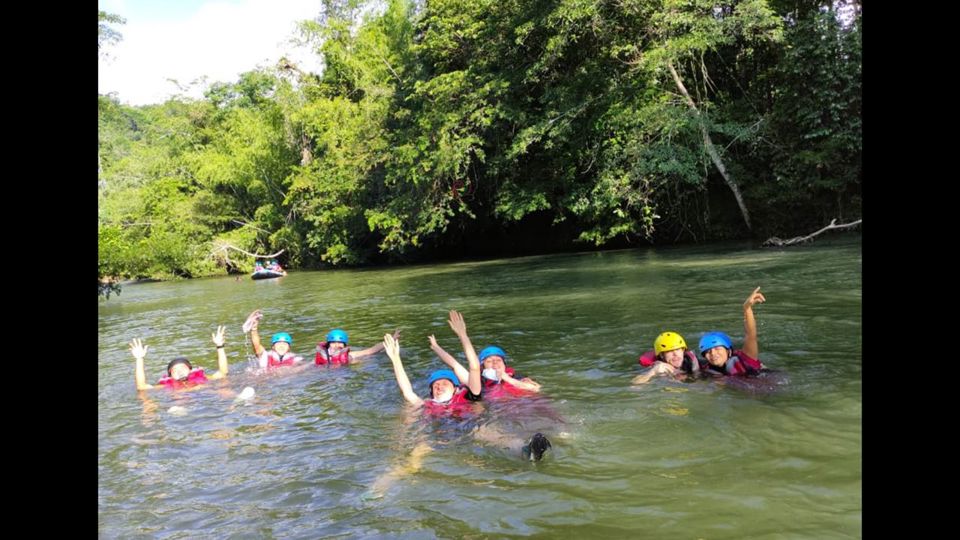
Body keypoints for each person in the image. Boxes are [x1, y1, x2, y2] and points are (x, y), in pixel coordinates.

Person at [382, 311, 482, 414]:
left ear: (455, 389)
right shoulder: (427, 406)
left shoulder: (470, 398)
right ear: (432, 393)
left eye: (445, 383)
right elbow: (408, 392)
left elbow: (474, 367)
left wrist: (462, 334)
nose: (439, 386)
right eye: (435, 385)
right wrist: (395, 359)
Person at [130, 325, 229, 390]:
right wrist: (139, 359)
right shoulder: (165, 385)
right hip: (178, 404)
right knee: (176, 409)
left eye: (182, 368)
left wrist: (220, 346)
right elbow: (141, 387)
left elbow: (222, 373)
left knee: (225, 392)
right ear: (170, 375)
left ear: (190, 370)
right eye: (175, 370)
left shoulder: (203, 378)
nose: (179, 371)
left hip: (206, 398)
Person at [430, 338, 541, 395]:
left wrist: (507, 378)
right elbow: (455, 365)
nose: (495, 363)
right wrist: (435, 347)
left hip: (526, 406)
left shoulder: (517, 378)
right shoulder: (478, 383)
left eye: (498, 360)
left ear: (504, 365)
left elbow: (536, 389)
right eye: (489, 361)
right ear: (482, 367)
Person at [698, 287, 767, 376]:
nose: (713, 354)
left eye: (717, 348)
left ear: (728, 351)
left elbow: (751, 335)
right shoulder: (706, 371)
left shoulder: (745, 359)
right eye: (708, 351)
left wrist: (747, 308)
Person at [632, 331, 701, 384]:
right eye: (669, 351)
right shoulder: (657, 367)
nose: (675, 354)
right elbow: (635, 385)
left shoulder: (692, 362)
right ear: (662, 355)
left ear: (683, 350)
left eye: (678, 349)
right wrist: (652, 372)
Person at [315, 328, 401, 366]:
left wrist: (391, 339)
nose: (337, 345)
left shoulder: (351, 355)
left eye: (340, 343)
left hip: (343, 376)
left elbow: (371, 350)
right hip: (328, 377)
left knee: (364, 361)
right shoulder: (322, 356)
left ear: (345, 345)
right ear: (328, 344)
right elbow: (308, 365)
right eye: (333, 343)